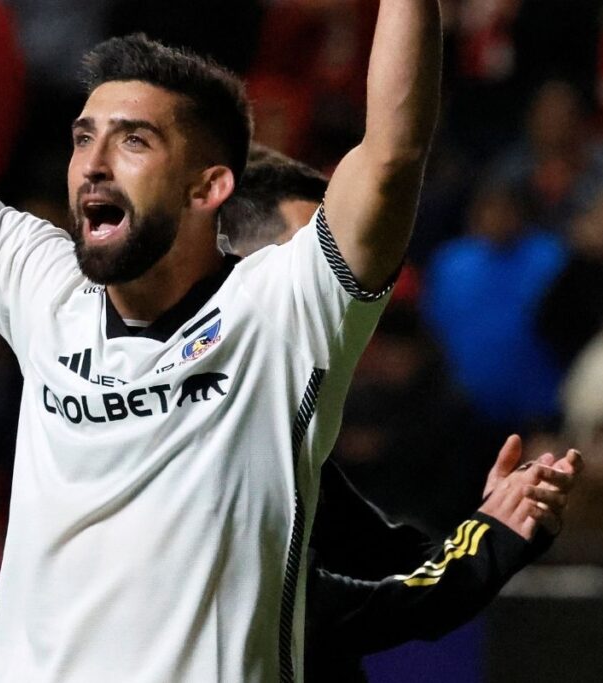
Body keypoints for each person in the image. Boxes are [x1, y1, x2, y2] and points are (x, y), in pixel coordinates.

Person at [0, 1, 442, 680]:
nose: (92, 164)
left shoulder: (282, 313)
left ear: (208, 185)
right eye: (82, 137)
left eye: (132, 141)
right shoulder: (43, 285)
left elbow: (392, 153)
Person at [219, 145, 583, 682]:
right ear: (232, 262)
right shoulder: (189, 427)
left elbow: (403, 565)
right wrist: (487, 544)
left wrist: (500, 520)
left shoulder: (285, 440)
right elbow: (326, 610)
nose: (331, 291)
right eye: (307, 265)